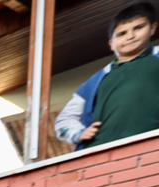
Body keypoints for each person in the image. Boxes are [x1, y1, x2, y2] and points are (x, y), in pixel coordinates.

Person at [55, 2, 159, 149]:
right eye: (122, 33)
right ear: (111, 43)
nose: (131, 36)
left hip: (150, 149)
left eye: (138, 28)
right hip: (99, 154)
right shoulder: (93, 82)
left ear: (153, 28)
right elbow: (64, 120)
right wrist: (78, 133)